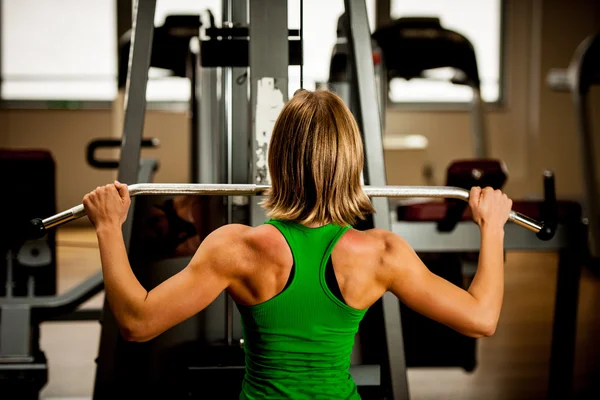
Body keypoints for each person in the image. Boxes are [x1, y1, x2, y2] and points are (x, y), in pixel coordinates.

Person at [83, 89, 513, 399]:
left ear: (276, 161)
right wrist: (491, 229)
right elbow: (481, 318)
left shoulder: (235, 247)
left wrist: (107, 227)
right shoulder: (383, 253)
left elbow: (137, 323)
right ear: (351, 163)